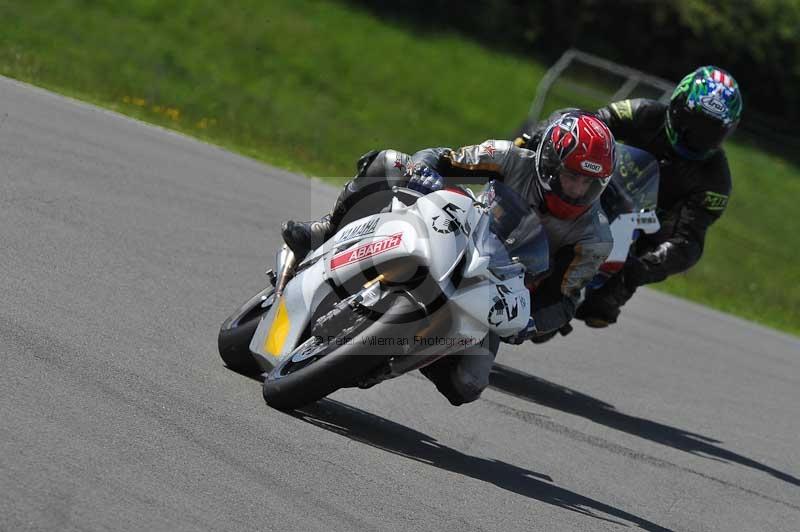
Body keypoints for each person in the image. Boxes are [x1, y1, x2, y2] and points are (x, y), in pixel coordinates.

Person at [282, 111, 616, 405]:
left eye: (589, 182)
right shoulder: (509, 158)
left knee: (467, 386)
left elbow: (565, 298)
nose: (578, 189)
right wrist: (425, 170)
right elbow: (443, 158)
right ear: (549, 163)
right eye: (572, 176)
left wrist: (530, 323)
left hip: (499, 284)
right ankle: (324, 231)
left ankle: (395, 357)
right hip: (458, 229)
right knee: (389, 160)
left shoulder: (595, 237)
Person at [572, 66, 743, 327]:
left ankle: (617, 283)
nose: (697, 138)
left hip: (644, 229)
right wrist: (547, 135)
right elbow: (590, 123)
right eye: (693, 124)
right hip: (597, 190)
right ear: (676, 107)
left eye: (710, 132)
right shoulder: (643, 112)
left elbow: (688, 240)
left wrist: (640, 269)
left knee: (601, 309)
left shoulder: (716, 179)